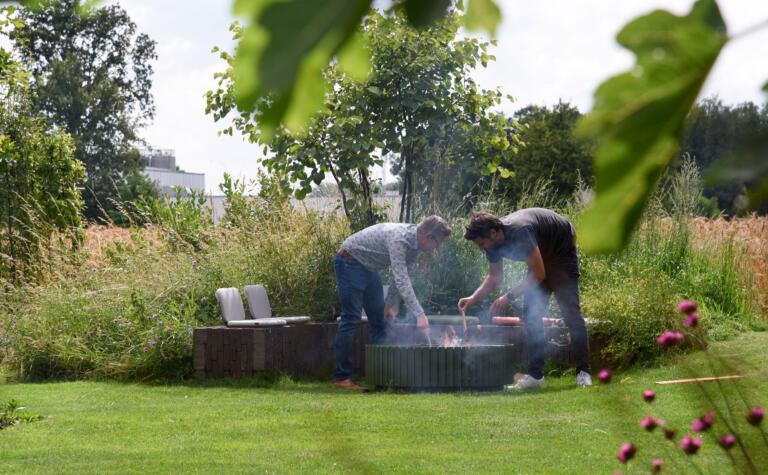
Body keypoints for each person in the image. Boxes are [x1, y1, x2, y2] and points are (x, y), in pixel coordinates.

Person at [457, 209, 591, 389]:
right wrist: (473, 298)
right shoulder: (492, 245)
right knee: (531, 315)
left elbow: (539, 274)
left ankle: (583, 373)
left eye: (482, 244)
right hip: (539, 256)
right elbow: (494, 278)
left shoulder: (520, 231)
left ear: (493, 232)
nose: (481, 249)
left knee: (571, 312)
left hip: (561, 250)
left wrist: (510, 296)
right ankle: (536, 377)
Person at [333, 215, 452, 390]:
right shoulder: (400, 239)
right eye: (438, 244)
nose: (436, 248)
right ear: (428, 237)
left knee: (381, 321)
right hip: (349, 262)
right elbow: (402, 280)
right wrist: (420, 315)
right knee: (351, 319)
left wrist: (388, 304)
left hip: (369, 268)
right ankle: (341, 378)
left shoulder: (415, 246)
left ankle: (379, 375)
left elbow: (402, 278)